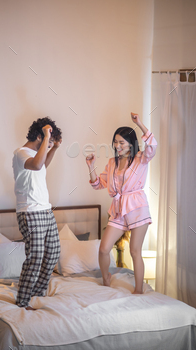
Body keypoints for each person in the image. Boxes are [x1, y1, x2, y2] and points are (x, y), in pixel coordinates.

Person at [86, 113, 157, 294]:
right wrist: (91, 166)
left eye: (121, 143)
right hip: (118, 211)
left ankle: (139, 290)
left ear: (131, 144)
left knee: (135, 251)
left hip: (137, 209)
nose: (117, 146)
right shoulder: (112, 163)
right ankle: (106, 279)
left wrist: (139, 123)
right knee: (103, 249)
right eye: (115, 142)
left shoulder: (141, 158)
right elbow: (97, 184)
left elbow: (152, 146)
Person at [12, 117, 62, 309]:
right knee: (36, 256)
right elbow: (36, 165)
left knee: (53, 252)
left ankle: (37, 291)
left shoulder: (36, 155)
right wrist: (48, 136)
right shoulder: (20, 153)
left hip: (45, 210)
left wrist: (54, 148)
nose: (49, 145)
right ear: (41, 137)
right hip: (30, 211)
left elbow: (43, 165)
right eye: (48, 141)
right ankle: (23, 301)